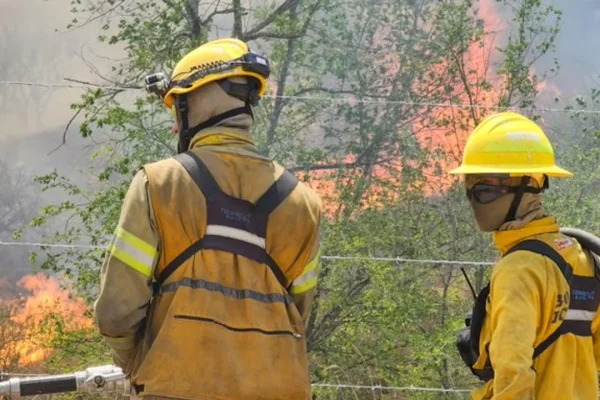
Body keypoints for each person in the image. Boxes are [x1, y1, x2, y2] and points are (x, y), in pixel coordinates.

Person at [93, 38, 323, 400]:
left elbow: (117, 311)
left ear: (196, 100)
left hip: (177, 388)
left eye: (177, 109)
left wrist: (137, 364)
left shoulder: (159, 184)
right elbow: (298, 315)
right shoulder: (304, 203)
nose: (174, 127)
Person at [450, 111, 600, 399]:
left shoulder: (519, 268)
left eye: (481, 190)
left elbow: (513, 379)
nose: (472, 201)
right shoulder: (579, 256)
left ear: (525, 188)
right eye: (469, 188)